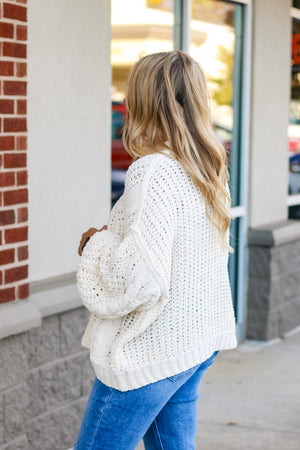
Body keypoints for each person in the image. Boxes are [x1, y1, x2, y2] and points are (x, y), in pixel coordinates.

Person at [74, 50, 237, 450]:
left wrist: (96, 244)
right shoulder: (207, 167)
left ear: (145, 100)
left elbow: (138, 279)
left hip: (153, 348)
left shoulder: (153, 171)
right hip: (195, 341)